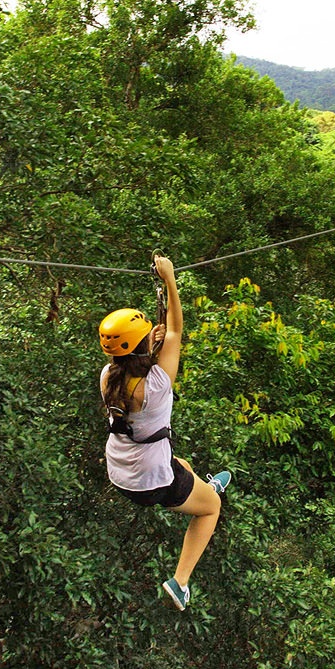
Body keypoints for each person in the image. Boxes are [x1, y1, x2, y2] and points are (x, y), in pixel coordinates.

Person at [98, 255, 231, 611]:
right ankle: (181, 581)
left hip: (121, 470)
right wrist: (170, 280)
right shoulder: (157, 384)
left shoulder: (108, 376)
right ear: (143, 346)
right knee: (211, 509)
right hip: (148, 481)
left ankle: (203, 486)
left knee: (180, 464)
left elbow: (141, 358)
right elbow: (176, 329)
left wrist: (151, 345)